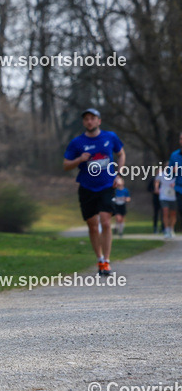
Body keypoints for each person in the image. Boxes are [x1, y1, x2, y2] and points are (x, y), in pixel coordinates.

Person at [62, 108, 125, 276]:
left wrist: (119, 175)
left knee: (105, 222)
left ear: (99, 121)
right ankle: (99, 259)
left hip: (107, 185)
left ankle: (107, 261)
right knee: (92, 226)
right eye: (86, 119)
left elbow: (121, 154)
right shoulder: (77, 142)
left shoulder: (110, 137)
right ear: (84, 122)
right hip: (87, 187)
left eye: (92, 118)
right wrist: (79, 159)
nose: (89, 121)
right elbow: (66, 165)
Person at [154, 166, 176, 239]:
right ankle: (166, 230)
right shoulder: (161, 174)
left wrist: (176, 185)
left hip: (174, 197)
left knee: (173, 214)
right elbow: (156, 181)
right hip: (164, 196)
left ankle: (171, 229)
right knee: (165, 212)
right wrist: (156, 188)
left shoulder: (177, 175)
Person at [168, 131, 182, 236]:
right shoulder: (174, 155)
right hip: (179, 188)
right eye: (181, 139)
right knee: (180, 209)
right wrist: (172, 170)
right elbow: (169, 173)